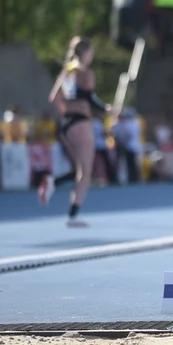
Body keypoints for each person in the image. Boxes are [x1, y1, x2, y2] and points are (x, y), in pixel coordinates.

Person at [40, 36, 112, 227]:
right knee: (86, 172)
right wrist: (105, 109)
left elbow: (54, 97)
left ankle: (54, 183)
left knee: (80, 170)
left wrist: (66, 113)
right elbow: (89, 97)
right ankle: (72, 214)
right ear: (86, 52)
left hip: (68, 124)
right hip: (81, 123)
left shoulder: (67, 71)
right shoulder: (85, 72)